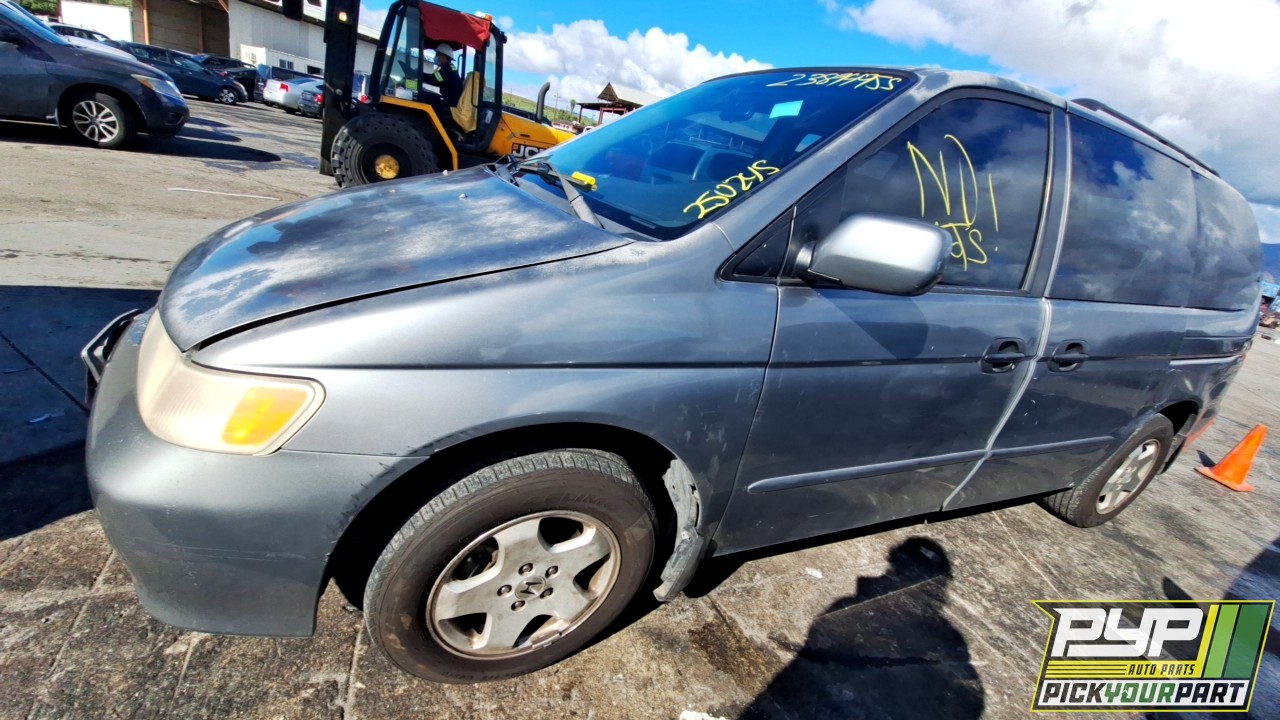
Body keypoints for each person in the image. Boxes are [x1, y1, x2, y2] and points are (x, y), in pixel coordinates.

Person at [424, 43, 463, 107]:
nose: (437, 57)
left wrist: (419, 74)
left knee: (425, 97)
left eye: (438, 55)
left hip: (449, 103)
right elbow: (436, 80)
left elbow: (433, 80)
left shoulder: (446, 69)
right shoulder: (449, 67)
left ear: (444, 56)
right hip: (450, 100)